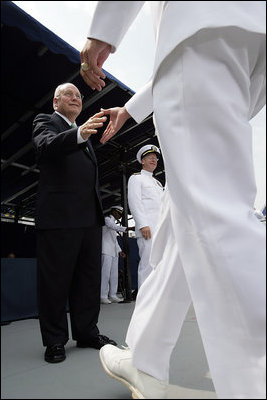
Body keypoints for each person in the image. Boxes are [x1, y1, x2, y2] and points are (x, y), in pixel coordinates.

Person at [80, 2, 266, 399]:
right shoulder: (138, 179)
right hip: (251, 44)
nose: (151, 160)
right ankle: (146, 358)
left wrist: (105, 28)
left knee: (215, 214)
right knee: (182, 228)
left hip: (200, 26)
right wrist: (131, 109)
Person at [32, 82, 117, 364]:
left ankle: (86, 332)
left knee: (87, 281)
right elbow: (46, 146)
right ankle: (55, 341)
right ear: (55, 102)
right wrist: (78, 133)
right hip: (59, 219)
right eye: (69, 94)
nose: (76, 98)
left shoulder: (86, 135)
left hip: (88, 220)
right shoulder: (47, 122)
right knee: (55, 282)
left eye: (79, 95)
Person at [128, 144, 164, 290]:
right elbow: (134, 202)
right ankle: (144, 300)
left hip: (161, 228)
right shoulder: (136, 179)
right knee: (148, 264)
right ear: (142, 161)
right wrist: (143, 225)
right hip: (148, 229)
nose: (154, 160)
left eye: (155, 158)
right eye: (150, 157)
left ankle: (157, 298)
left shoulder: (157, 183)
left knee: (160, 264)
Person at [101, 205, 134, 304]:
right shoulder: (107, 219)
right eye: (118, 214)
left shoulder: (113, 222)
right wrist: (128, 228)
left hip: (113, 251)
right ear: (113, 212)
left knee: (114, 274)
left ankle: (112, 295)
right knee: (105, 274)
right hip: (105, 250)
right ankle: (102, 296)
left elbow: (114, 240)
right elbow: (114, 227)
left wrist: (119, 251)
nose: (119, 216)